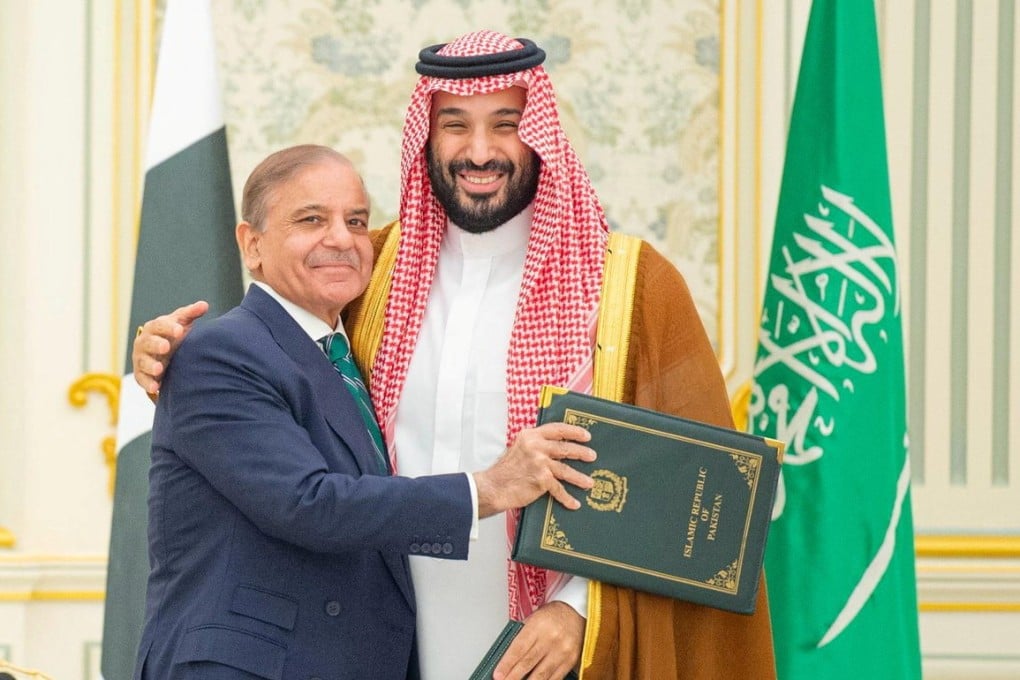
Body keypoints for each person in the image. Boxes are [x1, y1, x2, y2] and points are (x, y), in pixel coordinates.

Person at [135, 31, 777, 679]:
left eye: (506, 123)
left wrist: (579, 610)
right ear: (427, 137)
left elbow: (696, 498)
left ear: (542, 136)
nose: (479, 151)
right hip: (381, 643)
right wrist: (164, 351)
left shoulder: (626, 287)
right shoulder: (374, 273)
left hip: (547, 645)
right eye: (455, 125)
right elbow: (276, 363)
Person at [132, 144, 596, 679]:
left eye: (356, 221)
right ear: (251, 244)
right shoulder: (220, 351)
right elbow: (308, 504)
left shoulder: (358, 350)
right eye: (311, 219)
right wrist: (490, 487)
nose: (341, 239)